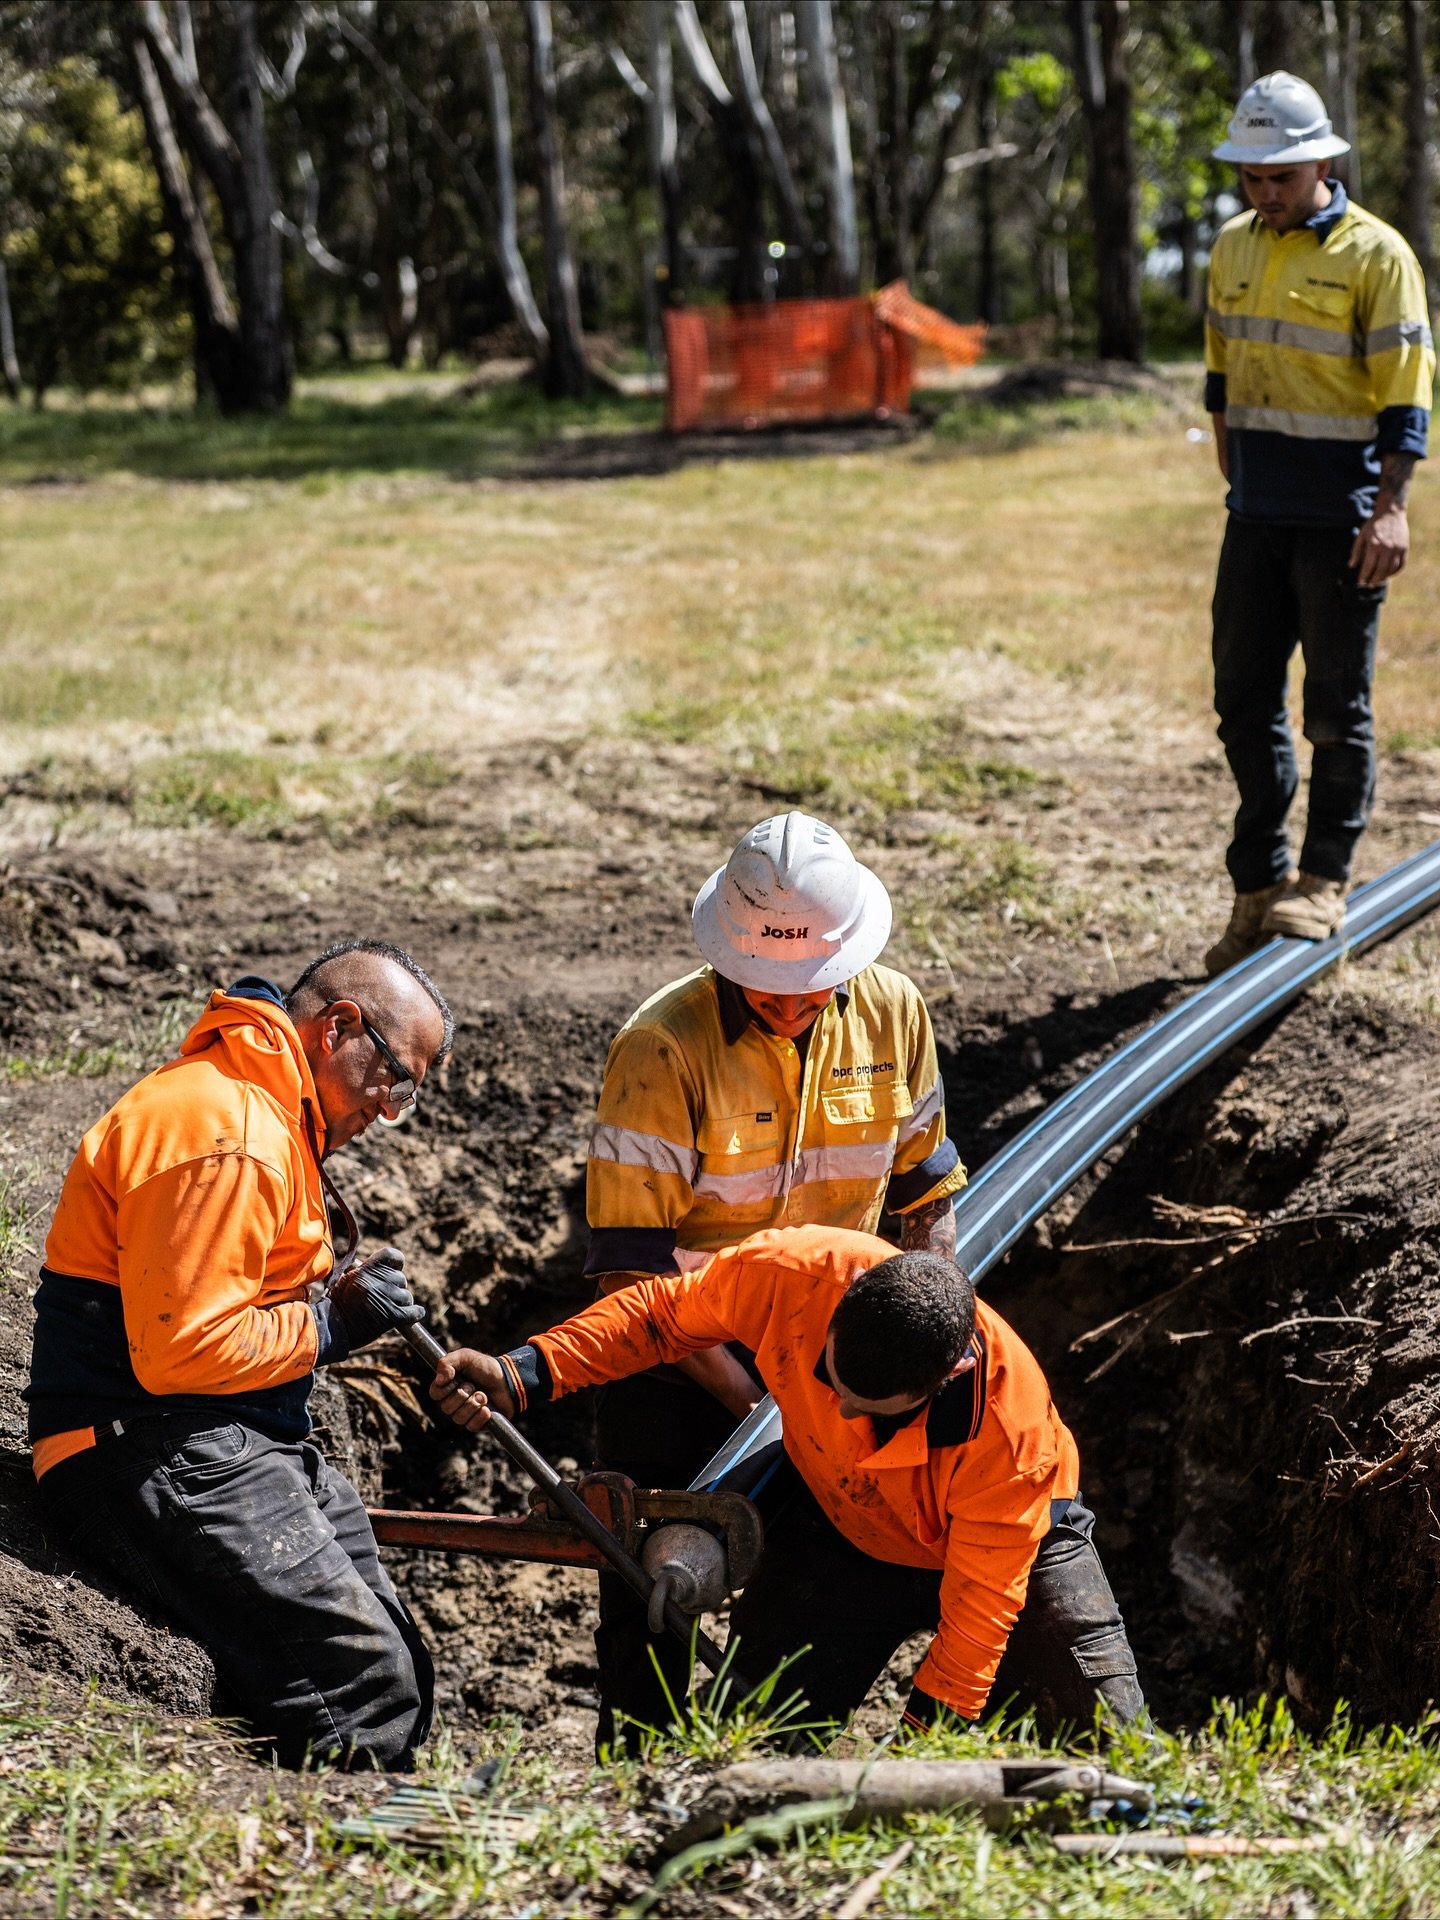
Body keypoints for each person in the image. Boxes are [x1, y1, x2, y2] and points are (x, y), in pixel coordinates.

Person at [429, 1226, 1144, 1745]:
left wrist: (918, 1757)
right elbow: (658, 1317)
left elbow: (979, 1621)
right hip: (846, 1532)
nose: (839, 1410)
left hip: (1017, 1553)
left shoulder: (1007, 1438)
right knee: (749, 1751)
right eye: (832, 1381)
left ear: (945, 1378)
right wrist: (527, 1370)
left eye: (869, 1408)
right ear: (844, 1305)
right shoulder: (796, 1272)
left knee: (1115, 1750)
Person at [584, 811, 968, 1749]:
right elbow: (628, 1285)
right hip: (679, 1352)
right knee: (651, 1595)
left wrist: (933, 1327)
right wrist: (764, 1402)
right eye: (766, 990)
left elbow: (926, 1193)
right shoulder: (660, 1051)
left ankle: (763, 1754)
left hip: (836, 1353)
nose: (791, 1006)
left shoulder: (893, 1011)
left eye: (811, 989)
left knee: (819, 1569)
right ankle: (637, 1770)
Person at [26, 941, 452, 1771]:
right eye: (396, 1080)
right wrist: (331, 1326)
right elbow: (184, 1353)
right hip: (141, 1441)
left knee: (396, 1652)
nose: (391, 1111)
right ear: (338, 1029)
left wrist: (329, 1300)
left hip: (216, 1430)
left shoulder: (268, 1114)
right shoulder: (231, 1132)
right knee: (367, 1683)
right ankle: (352, 1859)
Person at [1203, 70, 1433, 975]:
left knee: (1337, 712)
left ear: (1324, 161)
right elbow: (1220, 368)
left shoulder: (1379, 257)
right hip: (1254, 514)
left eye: (1282, 179)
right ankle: (1258, 885)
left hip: (1341, 521)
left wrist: (1391, 509)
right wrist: (1230, 451)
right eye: (1254, 179)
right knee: (1240, 702)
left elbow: (1407, 399)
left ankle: (1324, 879)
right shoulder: (1232, 245)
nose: (1266, 193)